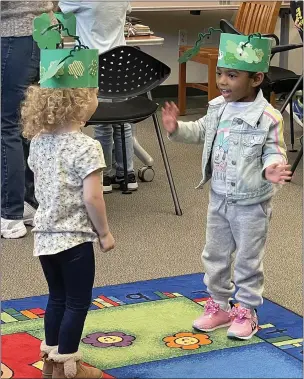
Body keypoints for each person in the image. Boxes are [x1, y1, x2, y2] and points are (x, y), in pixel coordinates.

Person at [162, 32, 292, 340]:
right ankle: (219, 305)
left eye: (232, 75)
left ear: (256, 78)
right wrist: (177, 128)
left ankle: (246, 309)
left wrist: (271, 168)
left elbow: (274, 150)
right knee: (215, 255)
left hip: (251, 203)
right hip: (218, 197)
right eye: (220, 73)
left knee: (248, 258)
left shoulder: (268, 117)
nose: (222, 81)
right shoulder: (217, 107)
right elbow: (201, 132)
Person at [21, 14, 115, 377]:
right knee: (78, 301)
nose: (95, 99)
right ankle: (68, 366)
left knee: (56, 298)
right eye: (93, 93)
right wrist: (104, 233)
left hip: (44, 236)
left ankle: (50, 362)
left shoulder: (39, 142)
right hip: (74, 239)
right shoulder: (87, 147)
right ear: (79, 101)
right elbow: (93, 199)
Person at [59, 0, 138, 193]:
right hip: (121, 64)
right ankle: (126, 173)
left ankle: (102, 175)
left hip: (93, 66)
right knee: (123, 121)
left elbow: (60, 8)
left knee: (103, 123)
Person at [1, 1, 57, 239]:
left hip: (15, 32)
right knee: (31, 122)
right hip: (45, 30)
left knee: (7, 125)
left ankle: (10, 215)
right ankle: (28, 204)